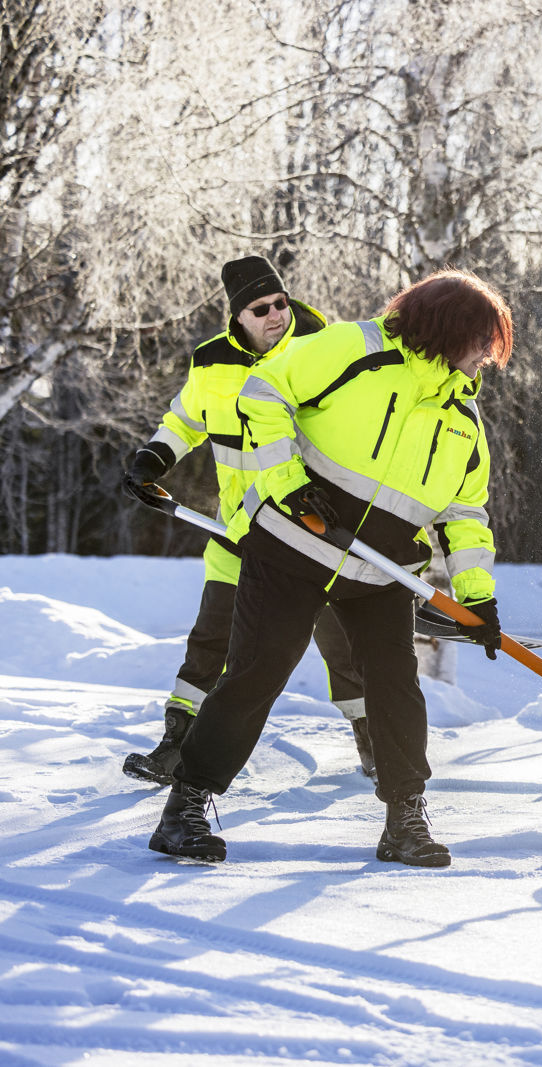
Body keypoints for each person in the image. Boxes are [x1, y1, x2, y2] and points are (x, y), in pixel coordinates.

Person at [145, 269, 512, 868]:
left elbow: (464, 515)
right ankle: (185, 806)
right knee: (257, 673)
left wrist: (477, 598)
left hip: (380, 572)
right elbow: (263, 393)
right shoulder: (353, 348)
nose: (485, 361)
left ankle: (404, 819)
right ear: (449, 329)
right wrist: (287, 481)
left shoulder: (463, 421)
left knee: (396, 687)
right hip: (292, 544)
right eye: (481, 344)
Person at [121, 256, 377, 784]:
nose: (276, 315)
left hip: (315, 535)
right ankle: (176, 744)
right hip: (237, 530)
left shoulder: (322, 353)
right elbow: (185, 420)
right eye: (260, 308)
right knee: (210, 642)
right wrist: (153, 458)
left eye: (281, 302)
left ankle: (374, 745)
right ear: (237, 316)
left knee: (343, 649)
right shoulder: (211, 362)